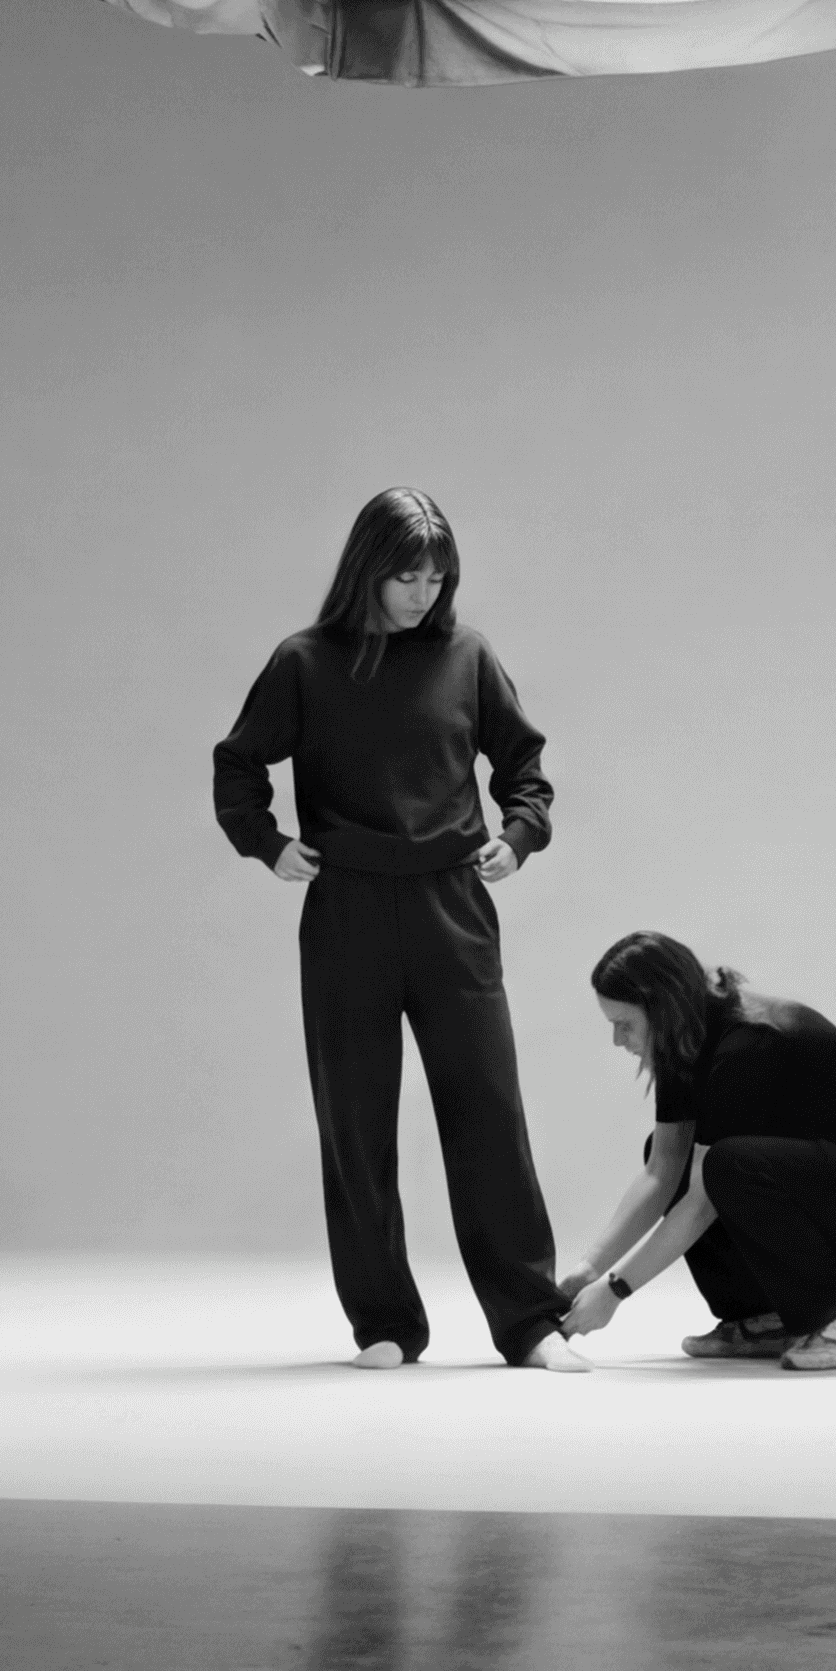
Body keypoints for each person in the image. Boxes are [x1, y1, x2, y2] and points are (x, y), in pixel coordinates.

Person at [210, 489, 574, 1370]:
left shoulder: (468, 656)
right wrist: (268, 845)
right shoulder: (305, 663)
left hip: (453, 906)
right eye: (405, 573)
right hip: (347, 914)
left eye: (435, 573)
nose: (422, 590)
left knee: (488, 1114)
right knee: (355, 1124)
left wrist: (517, 838)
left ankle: (530, 1323)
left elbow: (525, 767)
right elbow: (237, 766)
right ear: (366, 568)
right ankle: (383, 1324)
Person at [550, 932, 836, 1374]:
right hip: (830, 1181)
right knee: (702, 1164)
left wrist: (615, 1291)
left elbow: (701, 1204)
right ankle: (762, 1315)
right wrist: (587, 1271)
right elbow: (662, 1171)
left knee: (728, 1166)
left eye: (625, 1024)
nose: (619, 1041)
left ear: (661, 1009)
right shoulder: (683, 1041)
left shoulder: (749, 1042)